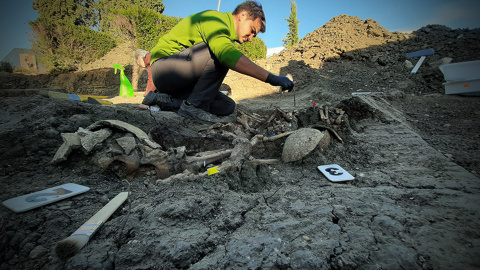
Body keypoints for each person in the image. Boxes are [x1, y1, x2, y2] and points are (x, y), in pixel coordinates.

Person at [140, 0, 294, 123]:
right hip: (163, 70)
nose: (251, 38)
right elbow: (226, 54)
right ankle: (193, 107)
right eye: (252, 30)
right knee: (221, 54)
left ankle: (166, 101)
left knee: (227, 106)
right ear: (243, 15)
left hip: (181, 81)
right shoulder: (215, 20)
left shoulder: (223, 36)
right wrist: (272, 78)